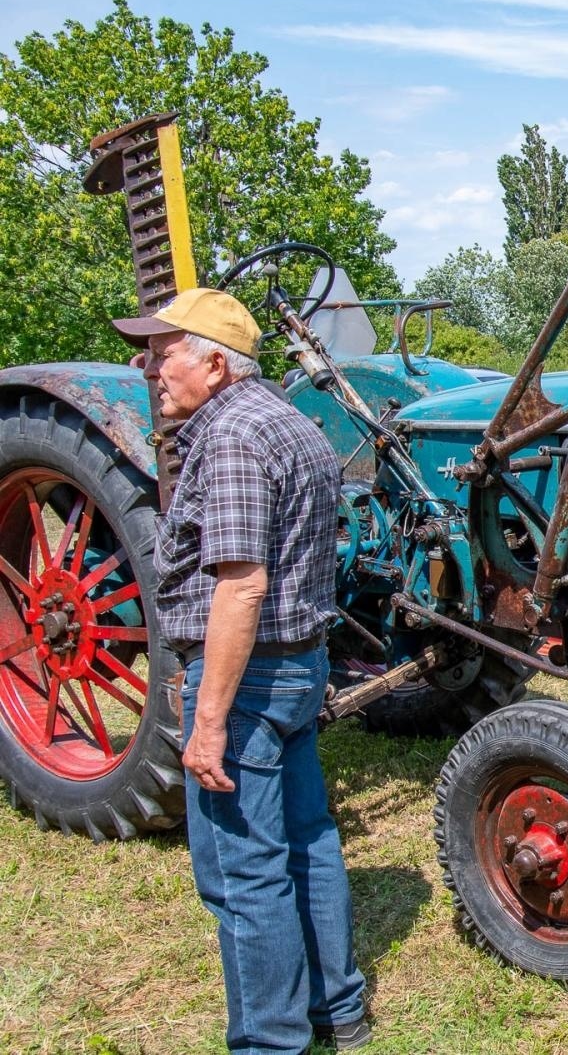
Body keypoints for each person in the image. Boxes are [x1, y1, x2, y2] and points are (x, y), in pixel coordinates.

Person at [113, 289, 370, 1052]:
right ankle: (340, 1009)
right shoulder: (294, 423)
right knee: (309, 838)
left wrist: (209, 722)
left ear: (216, 364)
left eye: (164, 353)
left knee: (243, 871)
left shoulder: (228, 439)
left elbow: (242, 584)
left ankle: (269, 1039)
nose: (149, 367)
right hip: (298, 668)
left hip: (248, 680)